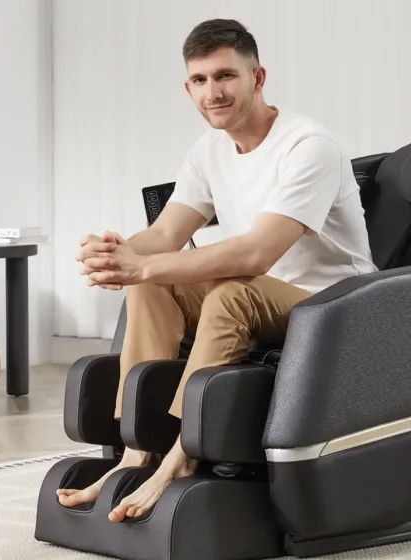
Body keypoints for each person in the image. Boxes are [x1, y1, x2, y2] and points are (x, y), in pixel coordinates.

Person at [56, 18, 377, 522]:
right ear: (189, 88)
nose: (214, 92)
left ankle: (183, 456)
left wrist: (142, 265)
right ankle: (138, 451)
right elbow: (162, 237)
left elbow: (256, 255)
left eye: (226, 76)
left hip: (333, 302)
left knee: (230, 291)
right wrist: (115, 252)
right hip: (266, 291)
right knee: (153, 283)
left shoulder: (307, 146)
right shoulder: (208, 150)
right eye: (201, 81)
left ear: (258, 76)